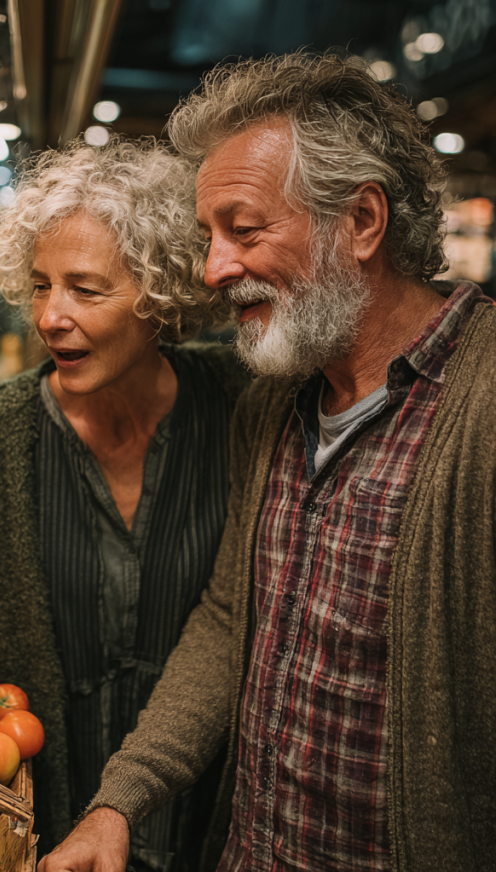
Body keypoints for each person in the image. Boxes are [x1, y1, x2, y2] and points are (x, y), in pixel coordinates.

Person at [40, 53, 496, 872]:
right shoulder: (272, 408)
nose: (215, 269)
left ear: (360, 221)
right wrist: (120, 800)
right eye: (210, 236)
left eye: (243, 232)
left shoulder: (481, 408)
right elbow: (229, 622)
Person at [0, 137, 249, 870]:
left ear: (157, 295)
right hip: (61, 833)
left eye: (86, 290)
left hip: (213, 825)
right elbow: (8, 654)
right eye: (39, 285)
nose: (52, 316)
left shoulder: (238, 410)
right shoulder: (6, 435)